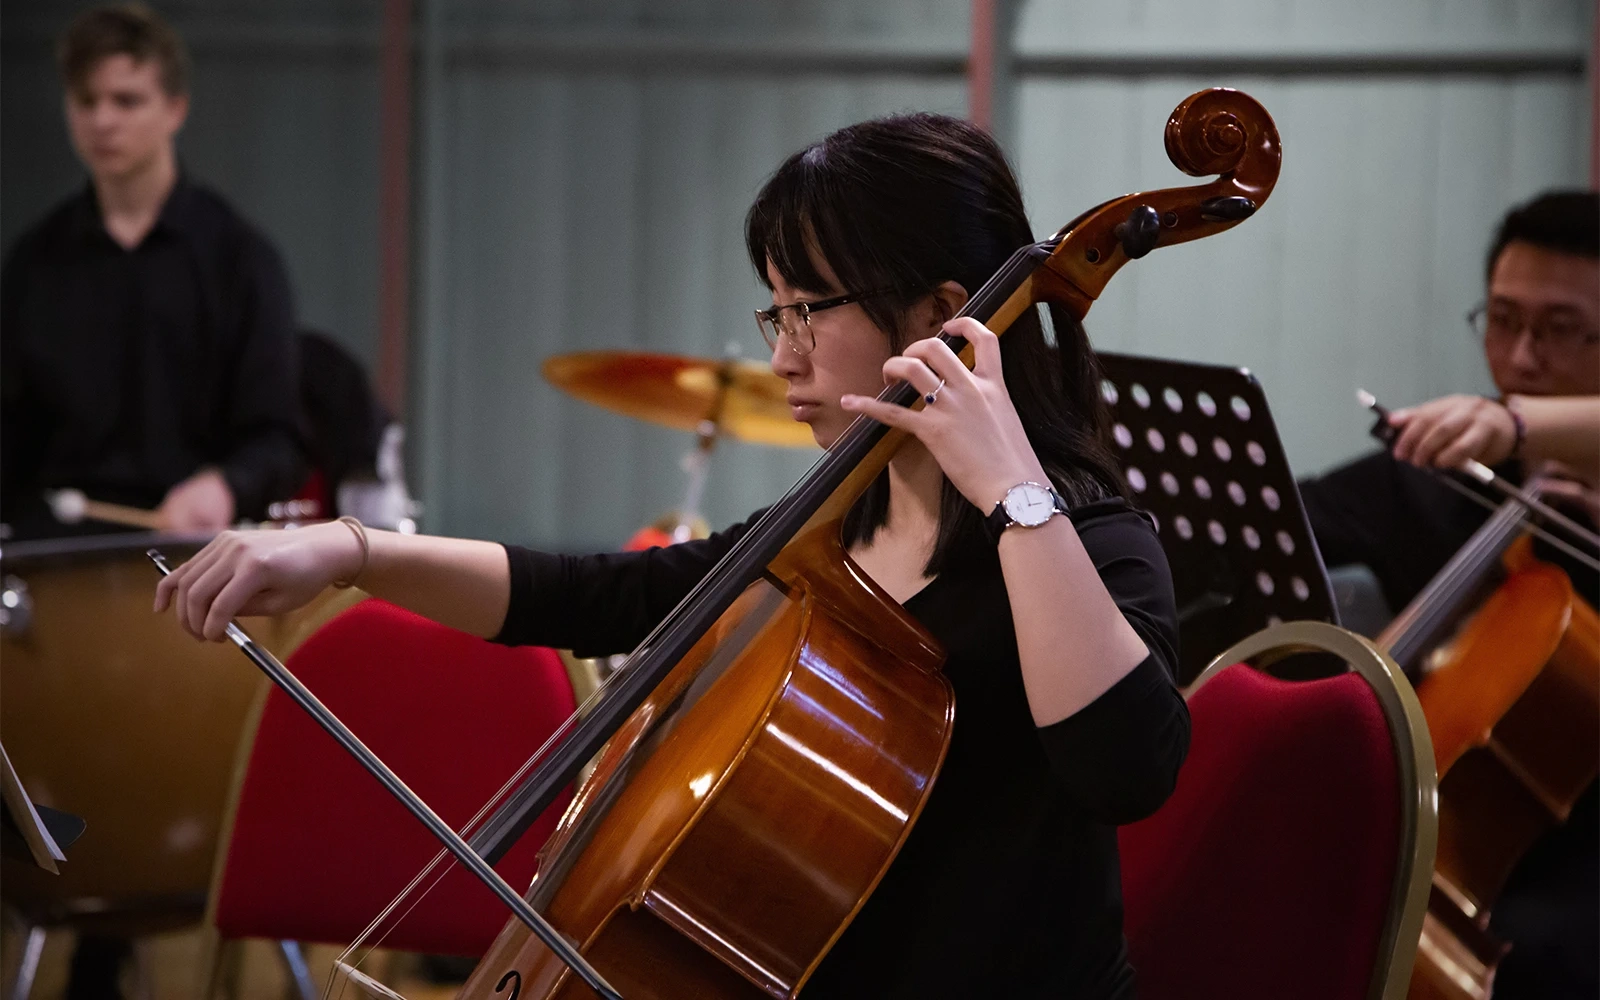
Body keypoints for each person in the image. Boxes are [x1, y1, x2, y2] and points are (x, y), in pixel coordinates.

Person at [155, 113, 1189, 997]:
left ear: (935, 313)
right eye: (773, 311)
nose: (782, 354)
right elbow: (593, 594)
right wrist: (351, 550)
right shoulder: (834, 528)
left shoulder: (1090, 541)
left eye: (808, 311)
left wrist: (1015, 494)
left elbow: (1126, 768)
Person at [1299, 189, 1598, 999]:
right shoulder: (1441, 482)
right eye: (1502, 320)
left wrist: (1521, 426)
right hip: (1440, 847)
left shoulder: (1508, 433)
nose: (1522, 357)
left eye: (1560, 329)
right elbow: (1280, 523)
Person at [1, 2, 304, 540]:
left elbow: (277, 440)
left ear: (175, 108)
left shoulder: (240, 260)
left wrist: (224, 485)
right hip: (52, 557)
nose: (102, 121)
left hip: (196, 559)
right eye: (85, 100)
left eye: (126, 100)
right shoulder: (33, 263)